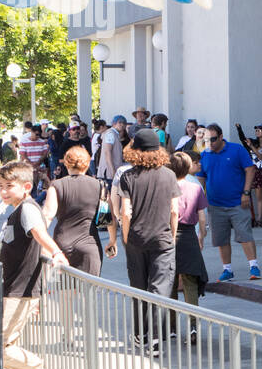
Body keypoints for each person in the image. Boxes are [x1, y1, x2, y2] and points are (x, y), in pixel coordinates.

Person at [0, 161, 65, 369]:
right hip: (11, 288)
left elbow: (38, 233)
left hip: (19, 289)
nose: (3, 191)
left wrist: (56, 252)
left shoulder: (27, 209)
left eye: (8, 186)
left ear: (26, 187)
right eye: (0, 186)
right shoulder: (16, 209)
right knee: (5, 348)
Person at [116, 129, 180, 353]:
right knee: (159, 289)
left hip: (136, 238)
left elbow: (126, 212)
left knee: (138, 286)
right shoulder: (169, 175)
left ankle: (139, 335)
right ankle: (155, 338)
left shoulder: (128, 176)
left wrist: (125, 237)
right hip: (162, 238)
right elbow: (174, 211)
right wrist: (172, 235)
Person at [198, 122, 260, 281]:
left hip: (238, 202)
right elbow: (201, 178)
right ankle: (227, 269)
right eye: (206, 140)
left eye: (212, 140)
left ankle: (254, 266)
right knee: (221, 238)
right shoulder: (205, 154)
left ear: (221, 137)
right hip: (215, 204)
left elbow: (250, 169)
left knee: (245, 234)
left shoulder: (236, 150)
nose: (209, 143)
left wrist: (246, 192)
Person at [43, 145, 104, 275]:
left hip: (62, 243)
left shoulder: (56, 186)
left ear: (66, 163)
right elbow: (105, 219)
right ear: (87, 164)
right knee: (88, 291)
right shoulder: (99, 186)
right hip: (89, 244)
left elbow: (47, 215)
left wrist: (41, 241)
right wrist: (112, 241)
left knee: (64, 290)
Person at [169, 152, 208, 317]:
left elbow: (171, 213)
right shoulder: (196, 187)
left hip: (170, 235)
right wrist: (201, 236)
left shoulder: (166, 187)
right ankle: (193, 325)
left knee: (170, 282)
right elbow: (202, 217)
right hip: (190, 235)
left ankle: (171, 327)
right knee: (190, 282)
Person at [237, 123, 262, 227]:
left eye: (260, 130)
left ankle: (259, 219)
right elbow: (243, 139)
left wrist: (251, 146)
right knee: (246, 194)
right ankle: (249, 218)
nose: (257, 131)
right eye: (256, 129)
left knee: (259, 197)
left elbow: (260, 156)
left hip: (259, 170)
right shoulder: (252, 141)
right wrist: (239, 128)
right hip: (249, 170)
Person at [97, 115, 128, 184]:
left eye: (124, 123)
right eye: (120, 122)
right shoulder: (110, 134)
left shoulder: (115, 134)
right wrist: (113, 172)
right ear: (114, 124)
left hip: (111, 173)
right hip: (108, 174)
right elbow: (107, 153)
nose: (122, 125)